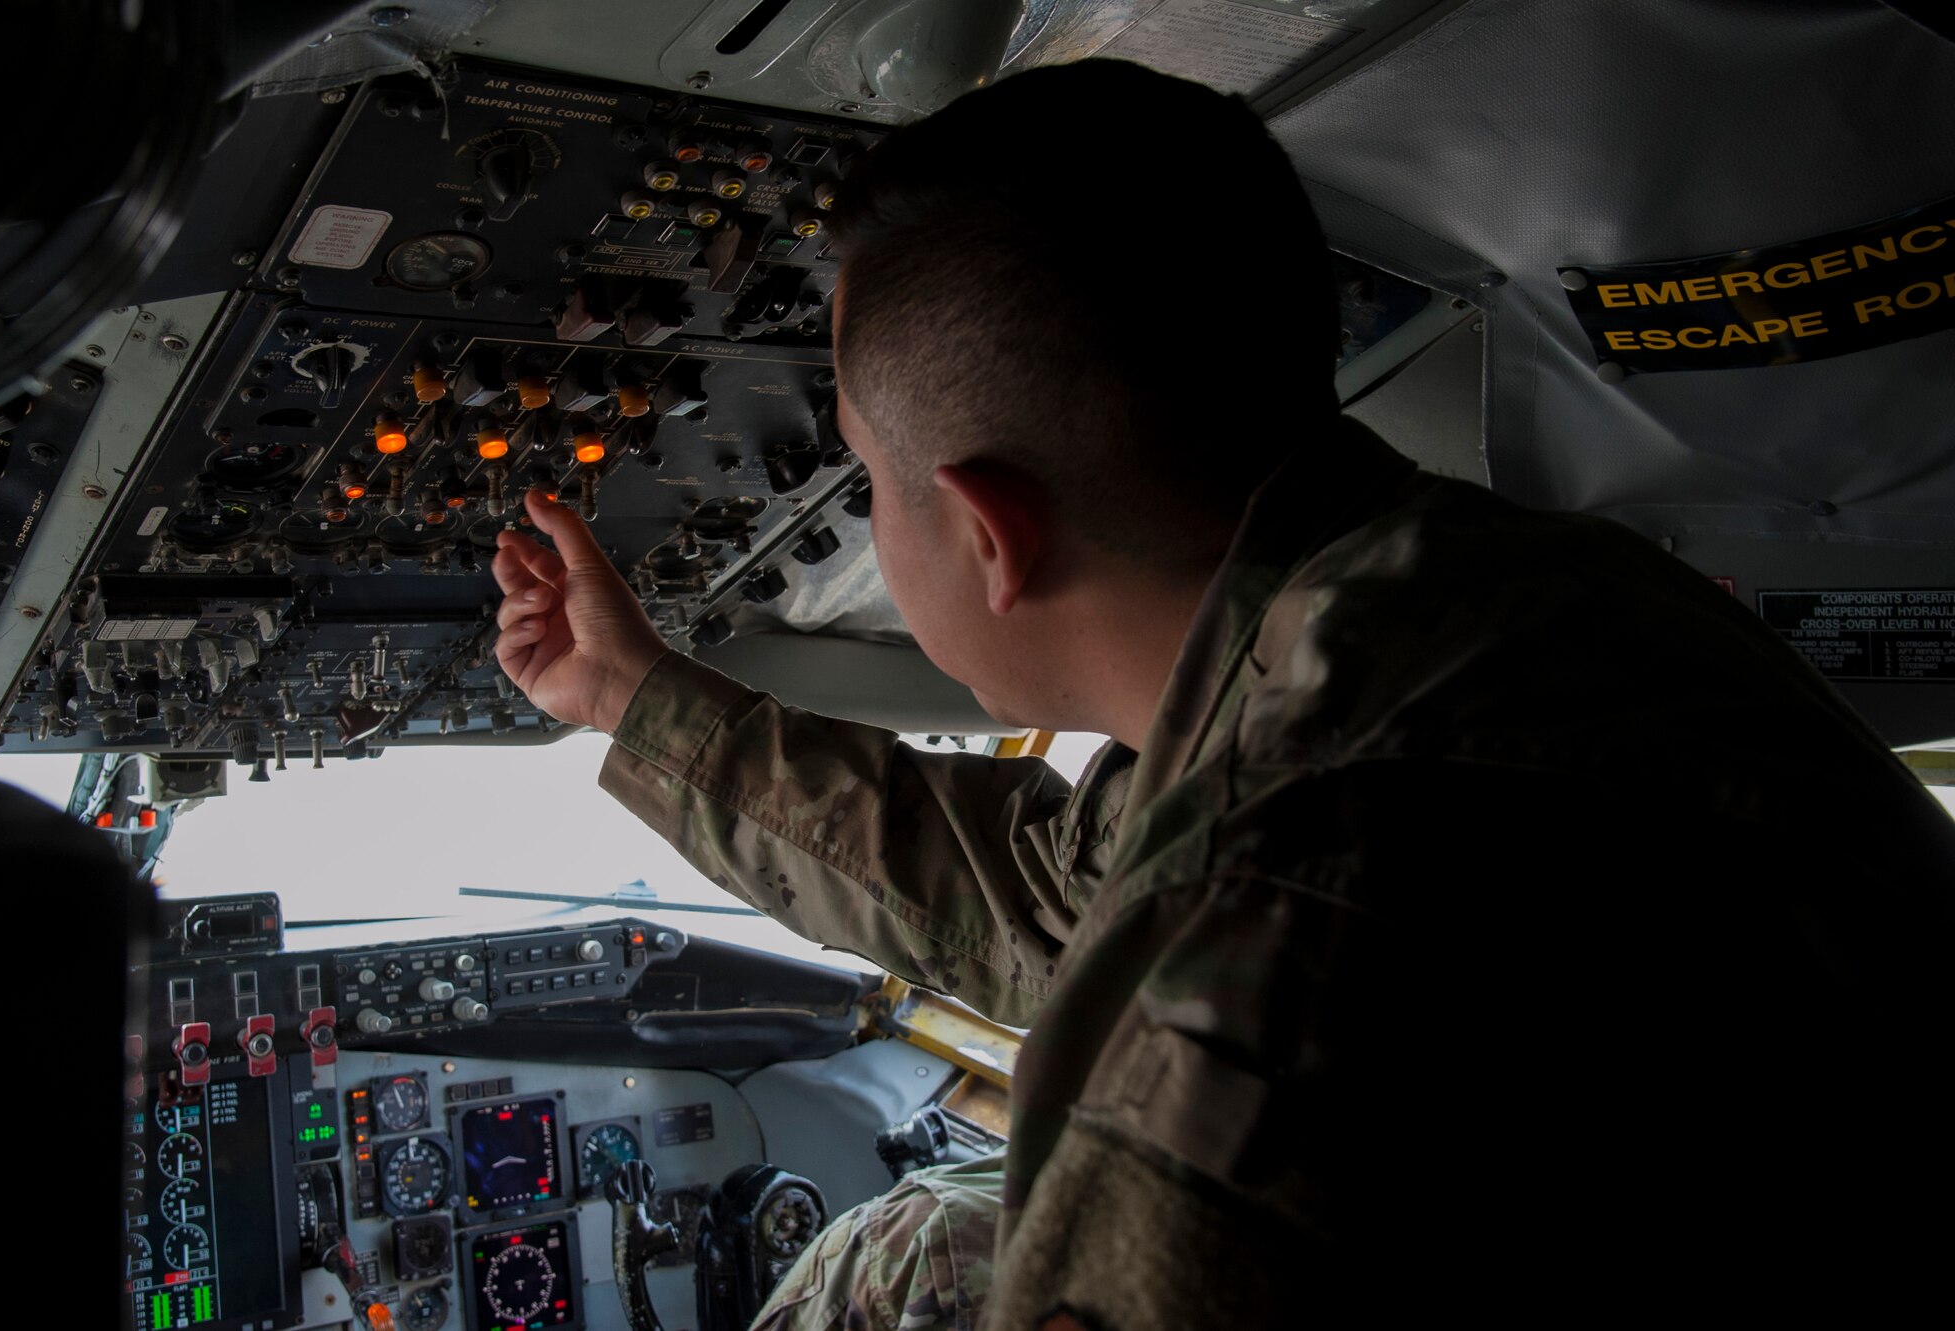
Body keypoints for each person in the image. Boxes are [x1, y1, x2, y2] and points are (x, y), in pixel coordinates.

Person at [494, 59, 1954, 1328]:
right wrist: (638, 696)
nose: (869, 518)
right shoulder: (1469, 599)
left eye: (870, 482)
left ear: (991, 533)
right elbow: (1047, 893)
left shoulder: (1286, 936)